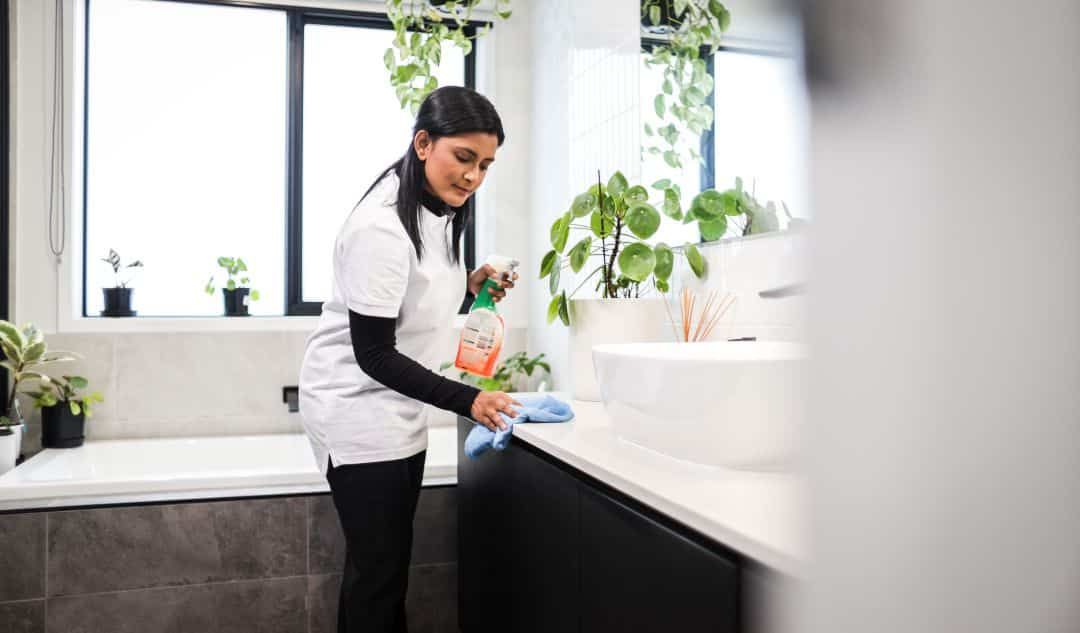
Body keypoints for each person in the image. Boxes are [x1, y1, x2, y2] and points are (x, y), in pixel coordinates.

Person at [298, 86, 519, 633]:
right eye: (463, 158)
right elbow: (373, 354)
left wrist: (472, 289)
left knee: (379, 568)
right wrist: (470, 400)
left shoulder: (437, 208)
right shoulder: (380, 228)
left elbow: (413, 304)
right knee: (380, 576)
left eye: (485, 165)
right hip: (357, 411)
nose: (473, 177)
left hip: (395, 409)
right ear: (423, 143)